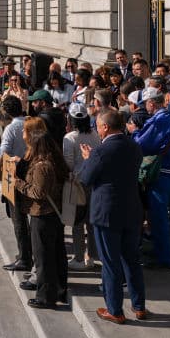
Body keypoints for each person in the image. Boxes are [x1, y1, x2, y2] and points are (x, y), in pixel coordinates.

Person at [76, 107, 147, 324]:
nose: (96, 130)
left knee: (111, 263)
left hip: (107, 213)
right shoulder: (134, 146)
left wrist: (88, 158)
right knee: (132, 260)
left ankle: (115, 309)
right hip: (132, 210)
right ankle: (139, 306)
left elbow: (85, 178)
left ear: (105, 127)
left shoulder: (100, 151)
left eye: (97, 126)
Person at [13, 118, 69, 309]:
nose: (24, 138)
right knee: (56, 255)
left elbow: (38, 193)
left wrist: (17, 183)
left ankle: (46, 297)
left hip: (43, 214)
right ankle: (59, 290)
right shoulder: (48, 160)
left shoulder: (42, 166)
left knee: (43, 258)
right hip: (52, 214)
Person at [128, 87, 170, 269]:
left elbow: (142, 144)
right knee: (158, 215)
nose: (145, 107)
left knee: (158, 216)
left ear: (152, 102)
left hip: (163, 171)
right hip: (169, 170)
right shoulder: (168, 118)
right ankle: (161, 251)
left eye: (145, 103)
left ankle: (164, 259)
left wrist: (135, 131)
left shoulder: (160, 119)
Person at [0, 95, 32, 273]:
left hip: (13, 174)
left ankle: (25, 257)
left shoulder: (11, 128)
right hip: (31, 173)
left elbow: (2, 154)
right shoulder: (31, 122)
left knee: (18, 218)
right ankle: (28, 252)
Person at [63, 104, 99, 271]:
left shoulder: (69, 138)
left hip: (77, 183)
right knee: (91, 222)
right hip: (94, 182)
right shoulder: (95, 135)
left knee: (77, 222)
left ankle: (79, 257)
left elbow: (68, 163)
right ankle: (90, 256)